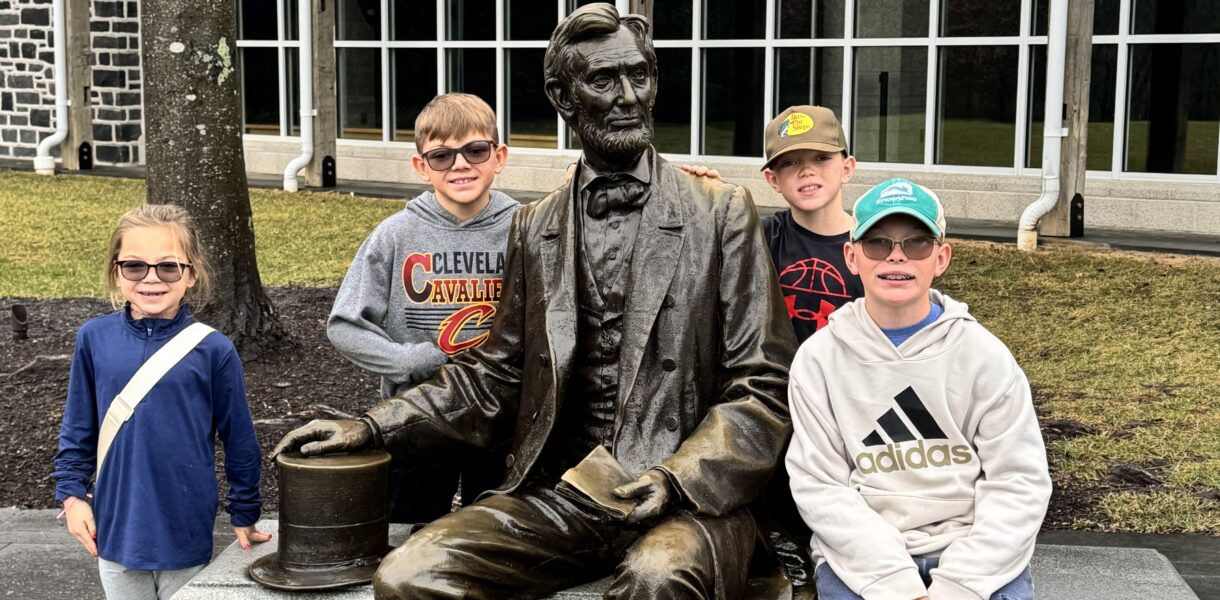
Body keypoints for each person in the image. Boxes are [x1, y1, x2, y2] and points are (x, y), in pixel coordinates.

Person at [273, 4, 796, 599]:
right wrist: (373, 424)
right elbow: (494, 375)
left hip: (686, 498)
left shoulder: (719, 212)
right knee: (409, 575)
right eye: (603, 80)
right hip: (566, 490)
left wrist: (678, 479)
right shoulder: (535, 227)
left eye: (640, 76)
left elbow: (763, 381)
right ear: (562, 95)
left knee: (659, 578)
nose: (629, 97)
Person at [786, 178, 1052, 600]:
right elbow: (820, 485)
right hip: (863, 561)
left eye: (917, 243)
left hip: (971, 553)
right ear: (852, 257)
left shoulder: (984, 356)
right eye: (877, 243)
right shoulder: (819, 360)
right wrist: (895, 585)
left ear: (941, 257)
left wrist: (960, 584)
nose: (896, 256)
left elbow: (1019, 481)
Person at [52, 204, 269, 600]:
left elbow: (239, 438)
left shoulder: (213, 349)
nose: (151, 279)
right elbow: (78, 427)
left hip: (185, 530)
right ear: (116, 271)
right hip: (114, 530)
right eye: (135, 266)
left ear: (191, 273)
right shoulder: (93, 338)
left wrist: (245, 511)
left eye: (168, 267)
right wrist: (71, 496)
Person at [326, 93, 516, 523]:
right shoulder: (395, 234)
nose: (461, 165)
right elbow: (344, 325)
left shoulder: (526, 228)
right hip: (416, 414)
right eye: (442, 155)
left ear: (498, 156)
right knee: (405, 527)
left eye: (475, 150)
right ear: (421, 166)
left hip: (502, 418)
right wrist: (413, 359)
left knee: (493, 531)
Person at [761, 105, 864, 344]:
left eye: (821, 158)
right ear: (773, 179)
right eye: (789, 163)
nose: (807, 171)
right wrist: (700, 190)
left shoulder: (872, 247)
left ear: (847, 168)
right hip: (775, 380)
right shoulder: (760, 237)